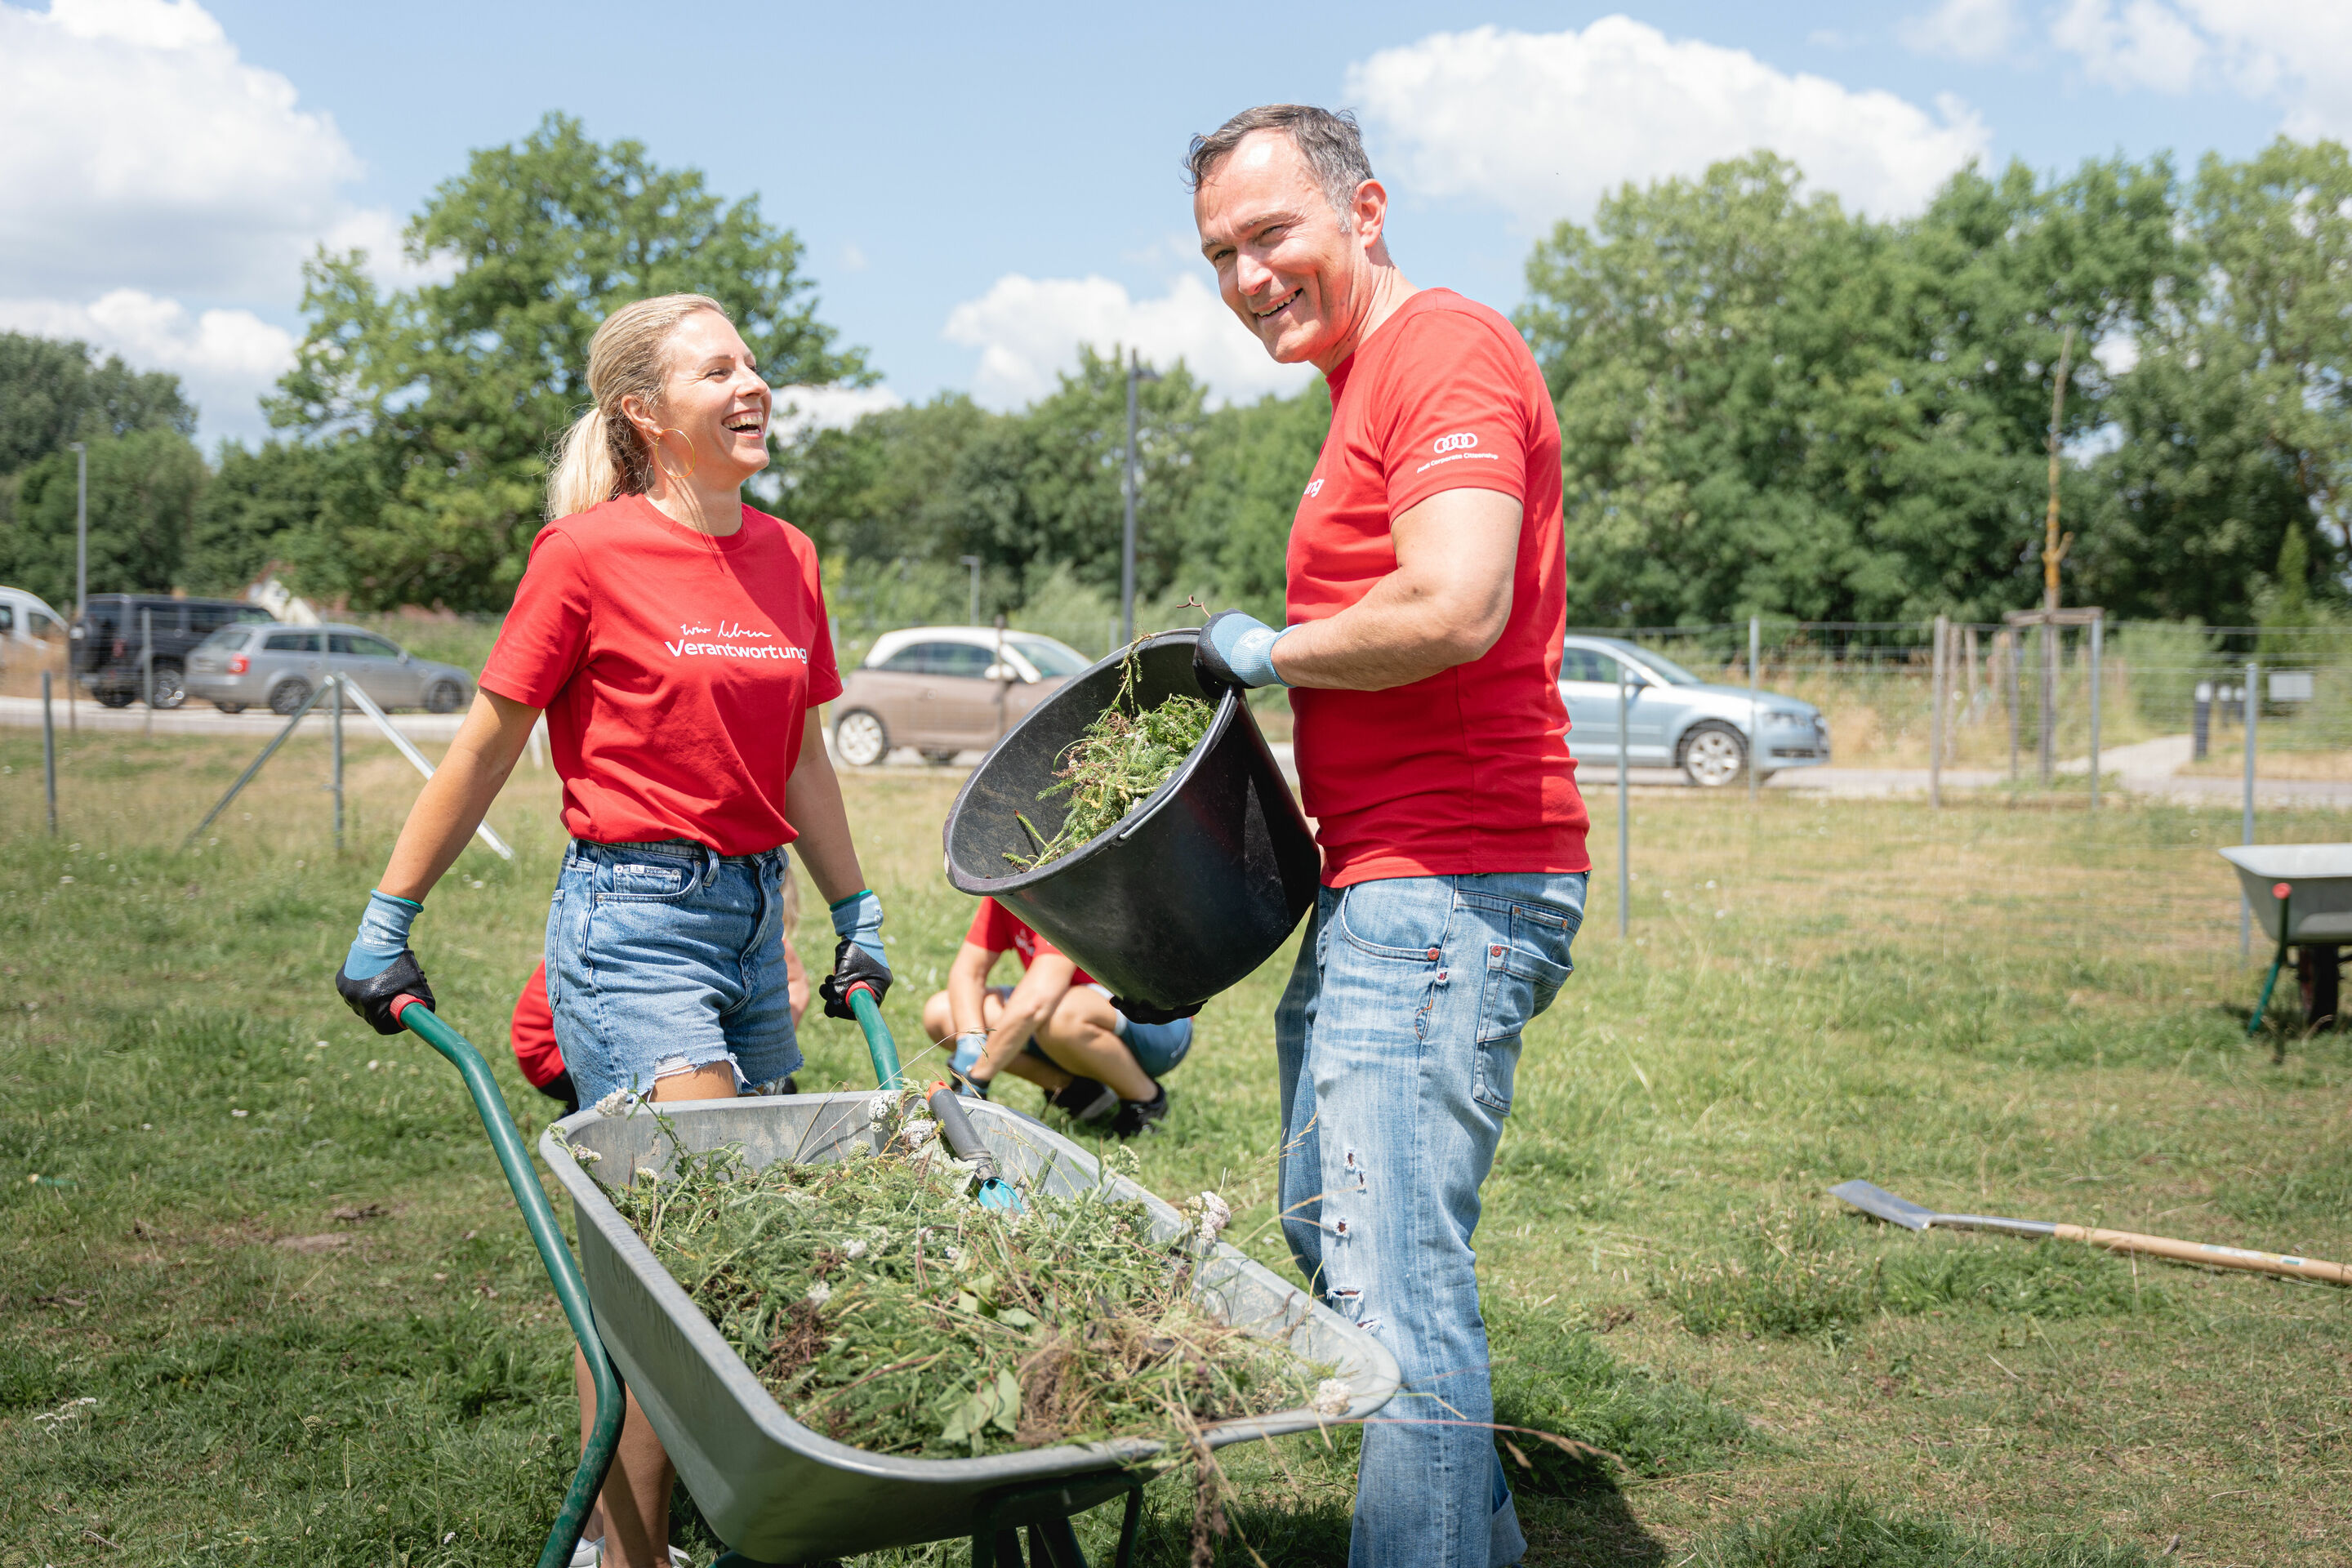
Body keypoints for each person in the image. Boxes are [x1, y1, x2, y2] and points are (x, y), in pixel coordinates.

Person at [332, 293, 892, 1568]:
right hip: (632, 924)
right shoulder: (583, 555)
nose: (752, 385)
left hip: (754, 918)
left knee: (704, 1249)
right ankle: (628, 1557)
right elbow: (488, 743)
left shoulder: (790, 556)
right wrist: (388, 916)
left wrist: (853, 909)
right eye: (717, 370)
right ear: (642, 412)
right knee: (690, 1253)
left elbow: (801, 755)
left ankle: (626, 1538)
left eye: (753, 364)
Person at [1185, 106, 1589, 1568]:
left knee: (1396, 1286)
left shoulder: (1443, 351)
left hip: (1452, 880)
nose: (1248, 276)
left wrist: (1274, 655)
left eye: (1271, 234)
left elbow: (1455, 604)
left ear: (1364, 210)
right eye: (1220, 255)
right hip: (1381, 879)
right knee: (1331, 1226)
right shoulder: (1360, 383)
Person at [511, 875, 813, 1116]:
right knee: (766, 1090)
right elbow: (797, 987)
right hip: (556, 1050)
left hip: (539, 1041)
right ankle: (588, 1118)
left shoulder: (653, 921)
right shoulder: (741, 935)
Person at [920, 897, 1187, 1138]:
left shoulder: (1064, 897)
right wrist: (971, 1042)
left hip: (1156, 1027)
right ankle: (1077, 1093)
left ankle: (1146, 1100)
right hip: (1068, 1019)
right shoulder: (1003, 895)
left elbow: (1036, 1002)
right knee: (944, 1015)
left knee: (1058, 1016)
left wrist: (976, 1080)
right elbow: (968, 973)